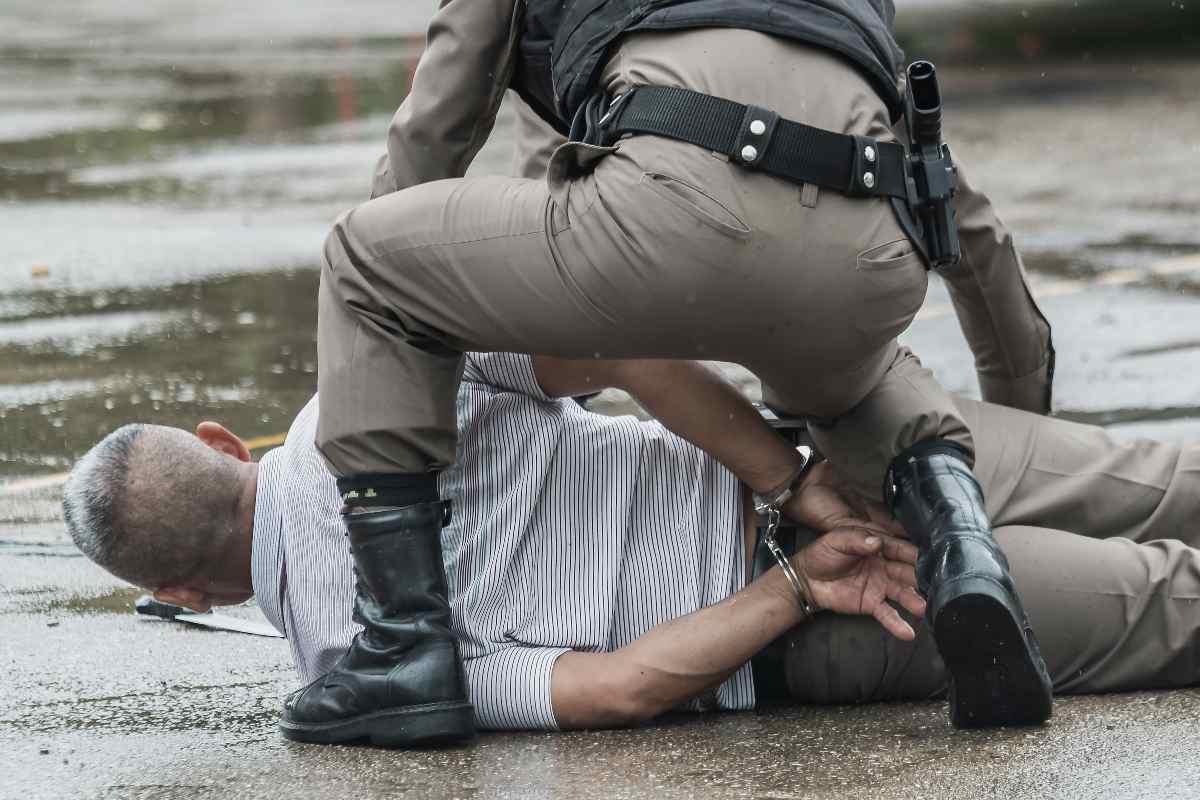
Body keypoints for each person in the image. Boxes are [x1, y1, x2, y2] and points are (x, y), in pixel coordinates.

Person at [310, 0, 1059, 744]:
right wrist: (1022, 417)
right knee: (851, 377)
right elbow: (966, 221)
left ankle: (403, 648)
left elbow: (435, 136)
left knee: (364, 262)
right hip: (866, 257)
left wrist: (375, 369)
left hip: (671, 216)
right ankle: (965, 542)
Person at [63, 354, 1200, 737]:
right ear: (223, 439)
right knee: (1161, 482)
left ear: (178, 590)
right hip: (842, 462)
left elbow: (613, 689)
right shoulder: (371, 392)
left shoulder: (356, 669)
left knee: (1164, 603)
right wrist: (790, 479)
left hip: (831, 618)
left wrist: (802, 583)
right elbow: (611, 343)